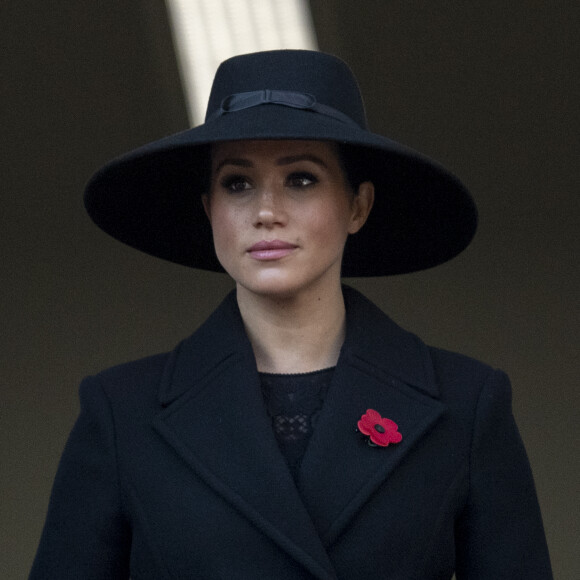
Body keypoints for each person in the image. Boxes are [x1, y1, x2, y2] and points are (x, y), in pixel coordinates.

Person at [30, 50, 552, 579]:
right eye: (237, 183)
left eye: (301, 178)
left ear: (358, 206)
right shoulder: (121, 413)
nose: (266, 212)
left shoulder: (467, 405)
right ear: (209, 209)